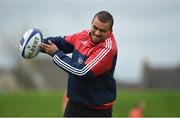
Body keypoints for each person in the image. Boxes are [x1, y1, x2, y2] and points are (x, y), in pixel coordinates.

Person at [39, 10, 118, 117]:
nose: (97, 32)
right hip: (74, 105)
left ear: (110, 31)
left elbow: (82, 71)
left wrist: (55, 54)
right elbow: (62, 42)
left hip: (97, 111)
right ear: (91, 24)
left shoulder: (108, 48)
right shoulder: (84, 35)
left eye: (102, 30)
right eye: (95, 27)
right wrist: (38, 44)